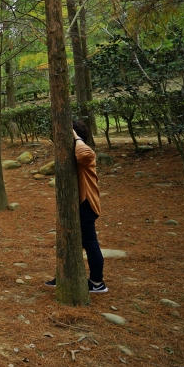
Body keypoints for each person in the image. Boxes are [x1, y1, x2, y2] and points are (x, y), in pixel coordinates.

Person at [45, 120, 108, 293]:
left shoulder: (84, 152)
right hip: (79, 205)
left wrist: (77, 137)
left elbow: (85, 154)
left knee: (90, 244)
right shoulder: (70, 152)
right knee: (70, 242)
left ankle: (97, 283)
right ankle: (66, 276)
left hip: (86, 205)